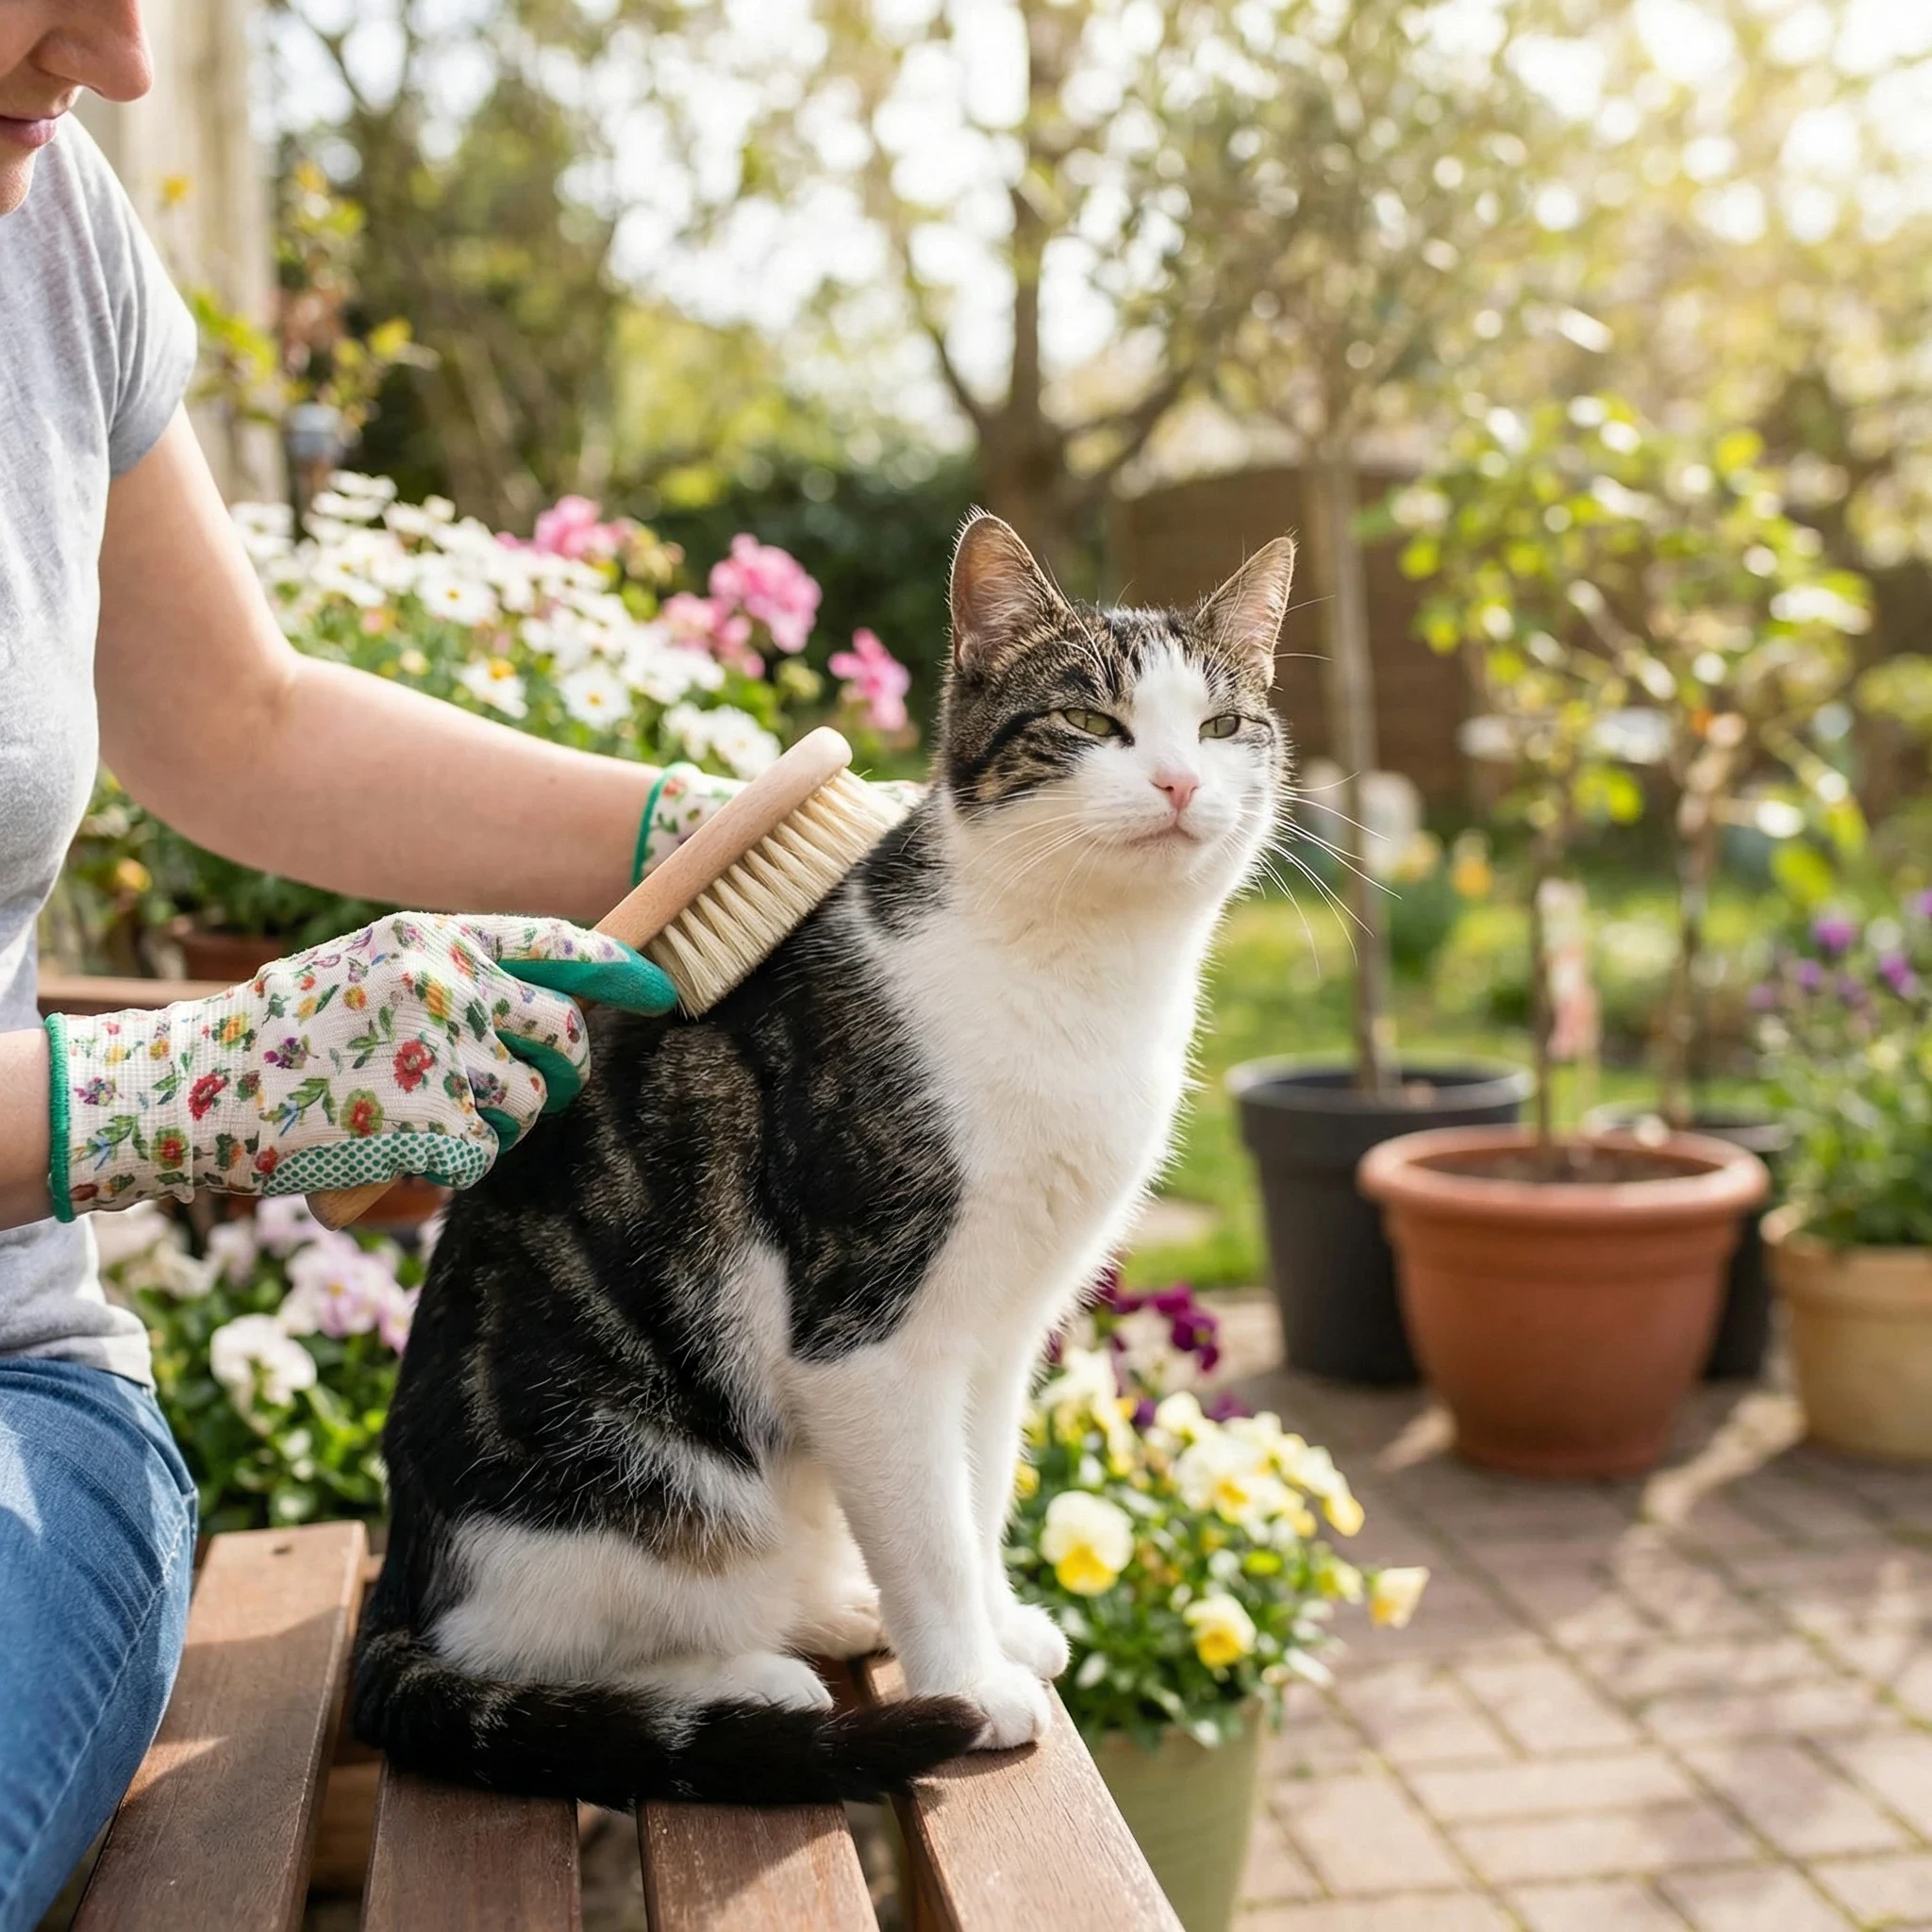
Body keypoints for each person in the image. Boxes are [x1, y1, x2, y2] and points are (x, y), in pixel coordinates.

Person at [0, 8, 748, 1923]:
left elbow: (233, 718)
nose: (122, 61)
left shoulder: (49, 227)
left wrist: (696, 824)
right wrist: (185, 1084)